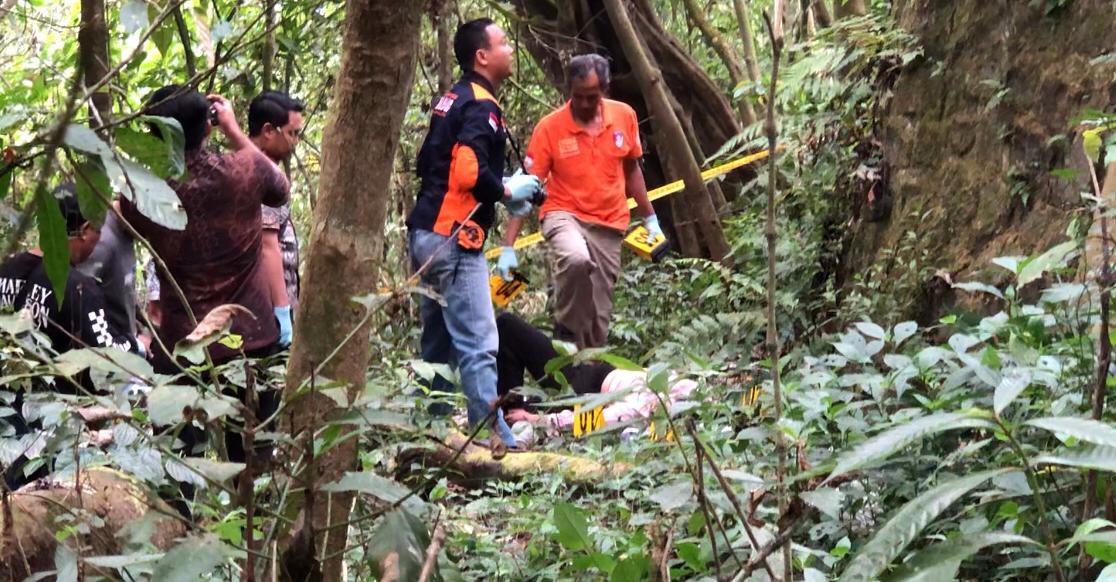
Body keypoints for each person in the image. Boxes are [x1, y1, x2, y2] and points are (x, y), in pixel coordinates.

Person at [405, 18, 541, 456]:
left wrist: (502, 189)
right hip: (454, 242)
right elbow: (466, 172)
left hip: (426, 235)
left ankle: (432, 433)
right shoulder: (481, 106)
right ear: (482, 56)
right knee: (481, 342)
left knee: (439, 343)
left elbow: (430, 161)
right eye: (503, 44)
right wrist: (504, 189)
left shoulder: (452, 99)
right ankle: (495, 434)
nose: (510, 50)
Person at [120, 85, 289, 374]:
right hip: (250, 339)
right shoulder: (244, 170)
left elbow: (131, 218)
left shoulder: (142, 194)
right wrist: (234, 131)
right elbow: (279, 189)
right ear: (208, 129)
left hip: (185, 349)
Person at [499, 54, 661, 348]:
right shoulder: (549, 128)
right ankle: (567, 331)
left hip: (609, 225)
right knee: (575, 258)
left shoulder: (624, 116)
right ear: (568, 92)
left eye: (592, 97)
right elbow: (527, 188)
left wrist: (651, 220)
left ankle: (583, 377)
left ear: (604, 91)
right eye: (578, 97)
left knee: (598, 322)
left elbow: (632, 169)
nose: (585, 104)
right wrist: (508, 246)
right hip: (564, 215)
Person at [494, 313, 695, 432]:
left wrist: (535, 420)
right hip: (591, 373)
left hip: (586, 394)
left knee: (507, 325)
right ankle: (507, 414)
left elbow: (599, 420)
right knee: (507, 325)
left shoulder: (647, 407)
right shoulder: (690, 389)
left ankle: (508, 420)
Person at [0, 185, 139, 355]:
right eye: (98, 230)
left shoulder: (6, 269)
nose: (100, 237)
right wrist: (135, 344)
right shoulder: (81, 290)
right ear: (84, 230)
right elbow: (107, 355)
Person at [247, 91, 304, 348]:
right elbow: (267, 246)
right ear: (269, 131)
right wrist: (282, 311)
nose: (295, 142)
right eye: (291, 133)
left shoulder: (260, 168)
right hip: (266, 310)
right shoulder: (260, 174)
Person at [76, 200, 138, 343]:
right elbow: (80, 302)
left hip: (124, 341)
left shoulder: (126, 231)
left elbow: (122, 292)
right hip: (107, 347)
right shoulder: (102, 241)